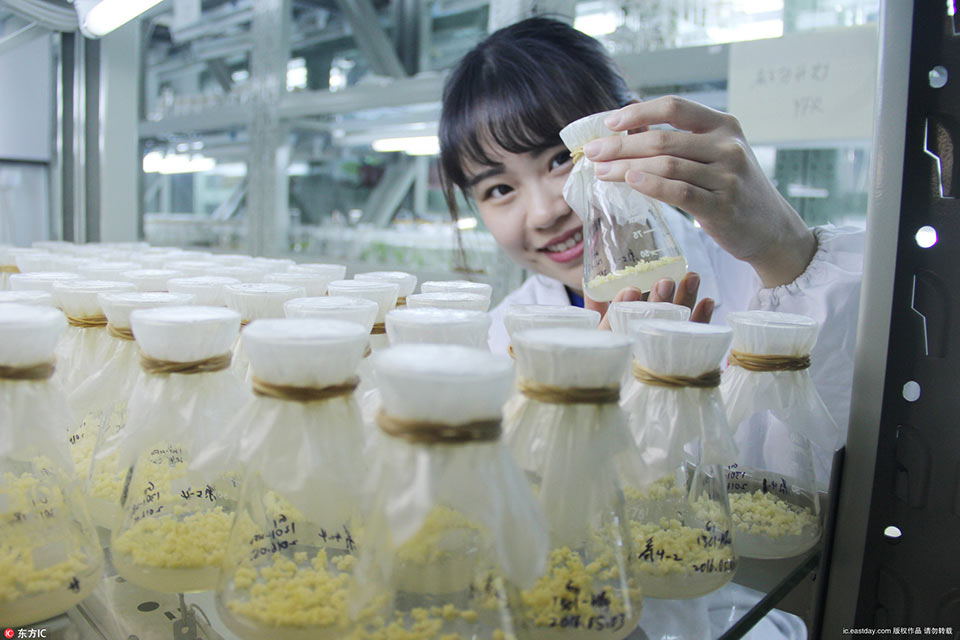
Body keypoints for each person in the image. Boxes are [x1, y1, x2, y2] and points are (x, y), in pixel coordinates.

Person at [438, 16, 863, 489]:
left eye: (562, 159)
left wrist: (784, 247)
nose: (544, 212)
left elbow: (838, 455)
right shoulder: (499, 341)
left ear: (635, 130)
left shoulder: (766, 279)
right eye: (499, 189)